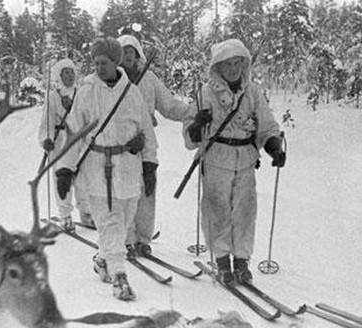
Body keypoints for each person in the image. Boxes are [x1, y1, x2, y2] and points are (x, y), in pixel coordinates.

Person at [56, 37, 157, 301]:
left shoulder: (132, 93)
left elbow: (145, 129)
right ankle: (119, 276)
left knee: (122, 224)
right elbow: (74, 133)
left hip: (128, 169)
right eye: (96, 63)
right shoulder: (87, 91)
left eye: (104, 63)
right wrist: (65, 169)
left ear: (116, 63)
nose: (99, 68)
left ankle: (103, 259)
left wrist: (149, 164)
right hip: (97, 169)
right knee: (110, 222)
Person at [182, 38, 285, 286]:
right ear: (218, 66)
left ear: (244, 64)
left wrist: (273, 147)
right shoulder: (204, 94)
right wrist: (196, 125)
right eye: (228, 64)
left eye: (238, 63)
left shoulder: (253, 93)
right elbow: (189, 138)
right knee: (217, 211)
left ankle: (241, 261)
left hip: (246, 160)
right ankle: (222, 260)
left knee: (245, 212)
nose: (233, 69)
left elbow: (267, 126)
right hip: (217, 158)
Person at [118, 34, 192, 258]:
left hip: (146, 143)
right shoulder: (113, 80)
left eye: (131, 52)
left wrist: (195, 112)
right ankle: (126, 239)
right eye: (123, 52)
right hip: (119, 146)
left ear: (137, 53)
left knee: (147, 190)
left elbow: (169, 105)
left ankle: (143, 238)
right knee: (124, 192)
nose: (127, 56)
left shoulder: (148, 79)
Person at [38, 58, 92, 231]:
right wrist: (46, 138)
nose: (69, 75)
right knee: (62, 179)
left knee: (83, 178)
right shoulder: (53, 97)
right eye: (65, 73)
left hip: (79, 140)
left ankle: (86, 212)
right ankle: (65, 215)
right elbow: (47, 120)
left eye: (71, 72)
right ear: (59, 76)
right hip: (60, 141)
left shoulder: (81, 93)